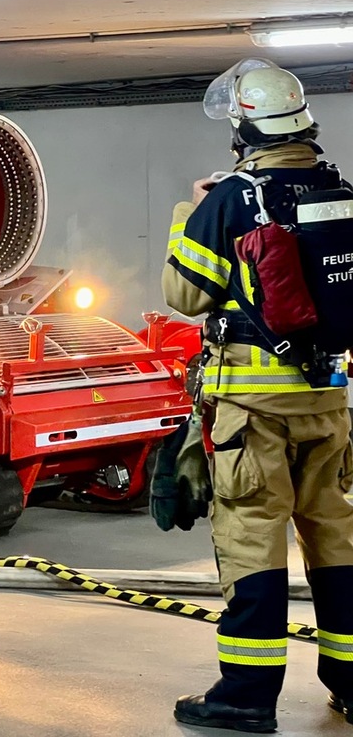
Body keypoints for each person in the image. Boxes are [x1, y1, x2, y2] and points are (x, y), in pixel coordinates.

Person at [163, 58, 353, 733]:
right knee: (336, 540)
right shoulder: (340, 190)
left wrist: (193, 207)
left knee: (251, 541)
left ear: (244, 128)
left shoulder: (233, 198)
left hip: (252, 412)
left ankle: (244, 696)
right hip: (329, 403)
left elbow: (184, 295)